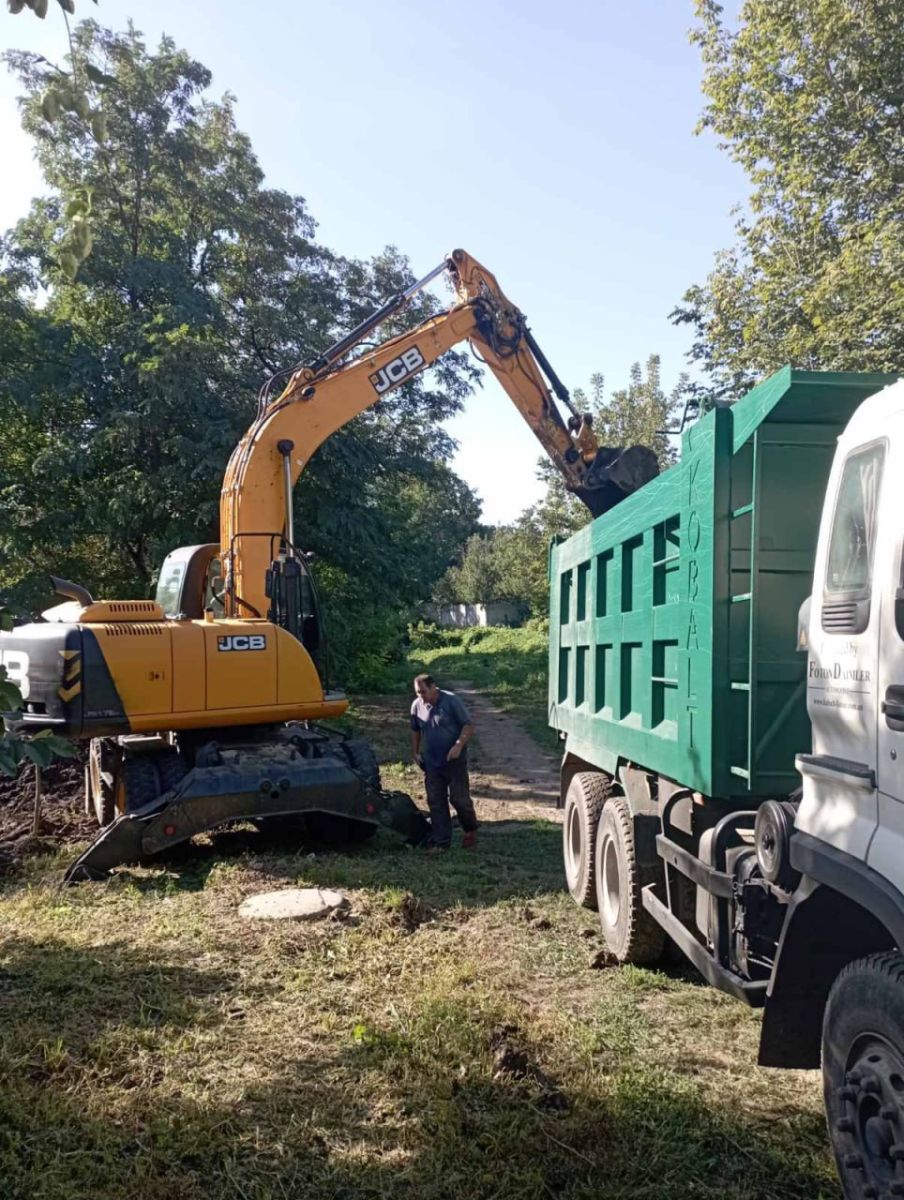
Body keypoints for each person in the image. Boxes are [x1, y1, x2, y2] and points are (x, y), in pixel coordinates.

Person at [410, 673, 479, 851]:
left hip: (454, 760)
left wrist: (458, 745)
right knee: (435, 801)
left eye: (423, 692)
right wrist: (416, 752)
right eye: (417, 692)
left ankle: (470, 828)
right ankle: (441, 842)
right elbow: (415, 730)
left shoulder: (451, 701)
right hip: (431, 761)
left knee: (459, 798)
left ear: (434, 687)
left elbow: (468, 725)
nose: (421, 696)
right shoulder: (417, 706)